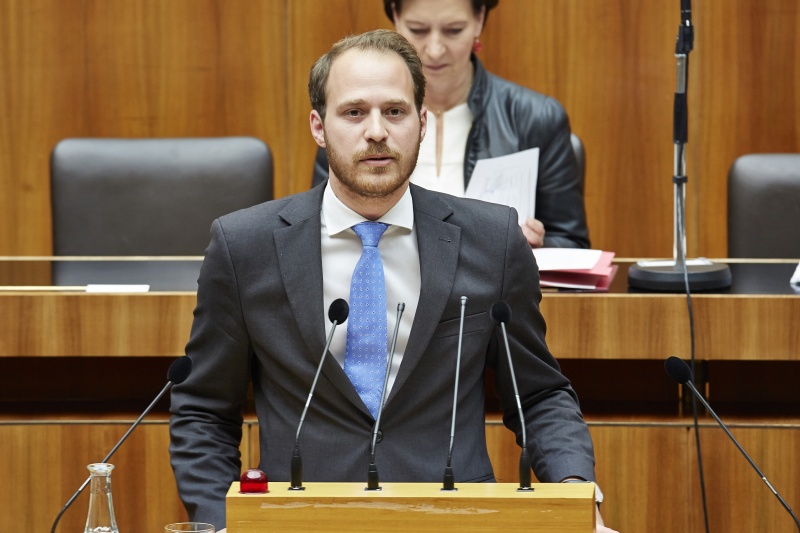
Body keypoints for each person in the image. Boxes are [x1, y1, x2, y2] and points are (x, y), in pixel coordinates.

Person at [170, 29, 616, 532]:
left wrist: (577, 496)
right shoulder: (244, 246)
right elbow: (204, 411)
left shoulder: (492, 240)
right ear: (319, 126)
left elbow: (536, 395)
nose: (377, 131)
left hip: (456, 519)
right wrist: (217, 522)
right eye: (354, 112)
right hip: (297, 519)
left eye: (396, 112)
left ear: (421, 123)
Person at [311, 0, 590, 249]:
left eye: (453, 30)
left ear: (479, 19)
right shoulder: (351, 121)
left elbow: (571, 244)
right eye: (418, 29)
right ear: (395, 15)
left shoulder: (535, 117)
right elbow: (323, 225)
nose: (434, 50)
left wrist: (527, 246)